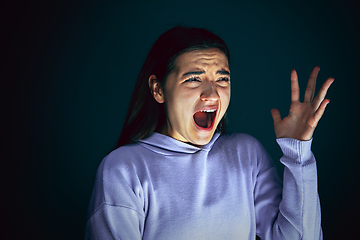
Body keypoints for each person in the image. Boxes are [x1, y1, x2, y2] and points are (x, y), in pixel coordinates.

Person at [85, 26, 333, 239]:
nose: (212, 94)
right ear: (158, 89)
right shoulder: (122, 169)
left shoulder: (246, 154)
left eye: (222, 79)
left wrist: (298, 152)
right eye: (194, 79)